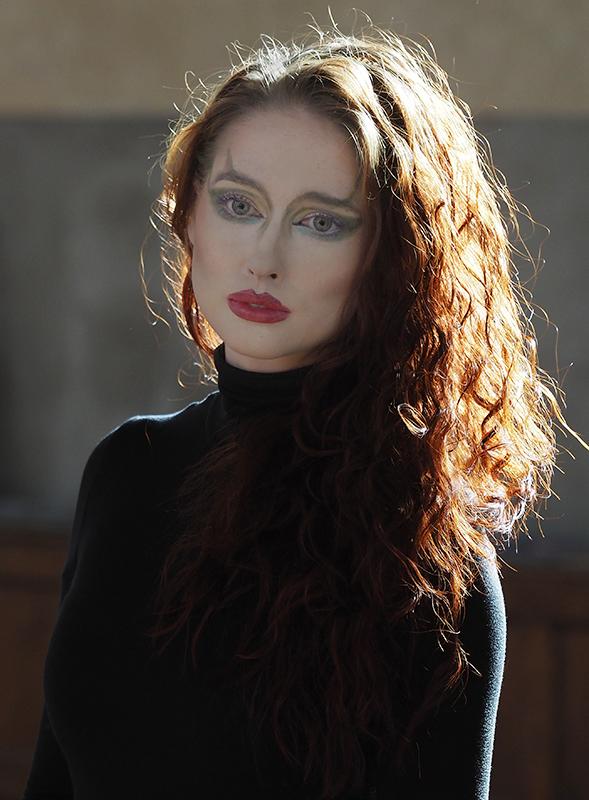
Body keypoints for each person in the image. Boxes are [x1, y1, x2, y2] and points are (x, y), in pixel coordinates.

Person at [22, 19, 579, 800]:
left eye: (321, 221)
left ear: (393, 256)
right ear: (189, 214)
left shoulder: (421, 545)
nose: (264, 256)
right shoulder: (127, 469)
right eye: (238, 204)